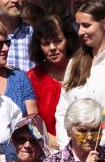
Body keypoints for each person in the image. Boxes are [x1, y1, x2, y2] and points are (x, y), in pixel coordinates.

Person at [55, 0, 105, 147]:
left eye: (86, 25)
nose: (80, 31)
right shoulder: (75, 62)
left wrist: (93, 147)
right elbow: (62, 111)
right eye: (78, 25)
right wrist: (67, 148)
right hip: (72, 153)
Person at [27, 15, 78, 144]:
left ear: (69, 40)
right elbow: (30, 122)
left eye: (57, 41)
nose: (52, 48)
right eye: (46, 43)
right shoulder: (32, 78)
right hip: (47, 147)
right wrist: (56, 142)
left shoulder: (82, 71)